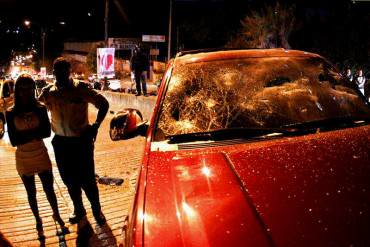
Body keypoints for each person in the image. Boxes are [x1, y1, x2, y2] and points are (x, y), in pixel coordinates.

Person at [38, 57, 109, 225]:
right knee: (69, 180)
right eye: (58, 72)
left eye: (64, 71)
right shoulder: (48, 92)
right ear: (54, 73)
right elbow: (37, 107)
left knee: (88, 181)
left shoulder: (81, 89)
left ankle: (97, 211)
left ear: (69, 71)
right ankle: (79, 209)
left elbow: (103, 104)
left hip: (81, 142)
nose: (61, 75)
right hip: (61, 143)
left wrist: (96, 125)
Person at [5, 74, 69, 240]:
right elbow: (13, 140)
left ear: (34, 89)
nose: (25, 91)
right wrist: (34, 133)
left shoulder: (40, 108)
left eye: (29, 87)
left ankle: (56, 213)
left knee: (49, 189)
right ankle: (38, 220)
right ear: (17, 90)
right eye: (22, 88)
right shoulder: (10, 112)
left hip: (40, 153)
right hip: (23, 157)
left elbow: (47, 132)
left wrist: (25, 134)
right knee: (31, 192)